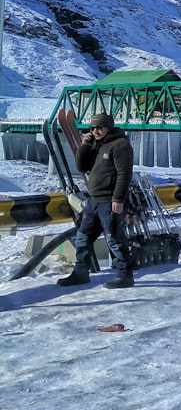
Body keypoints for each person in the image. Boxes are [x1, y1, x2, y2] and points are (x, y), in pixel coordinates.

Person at [58, 113, 135, 289]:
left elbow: (124, 174)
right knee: (82, 237)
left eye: (100, 127)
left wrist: (118, 199)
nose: (96, 131)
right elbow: (81, 166)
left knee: (114, 240)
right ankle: (81, 273)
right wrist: (85, 145)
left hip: (110, 201)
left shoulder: (120, 145)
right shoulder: (97, 145)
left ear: (108, 127)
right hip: (94, 201)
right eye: (93, 128)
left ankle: (125, 275)